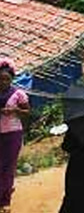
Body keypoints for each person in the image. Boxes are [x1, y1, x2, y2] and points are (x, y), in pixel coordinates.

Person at [1, 59, 31, 213]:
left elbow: (27, 112)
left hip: (12, 134)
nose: (3, 82)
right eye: (1, 79)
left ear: (12, 79)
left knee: (8, 167)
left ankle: (5, 201)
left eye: (7, 79)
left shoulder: (18, 94)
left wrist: (15, 111)